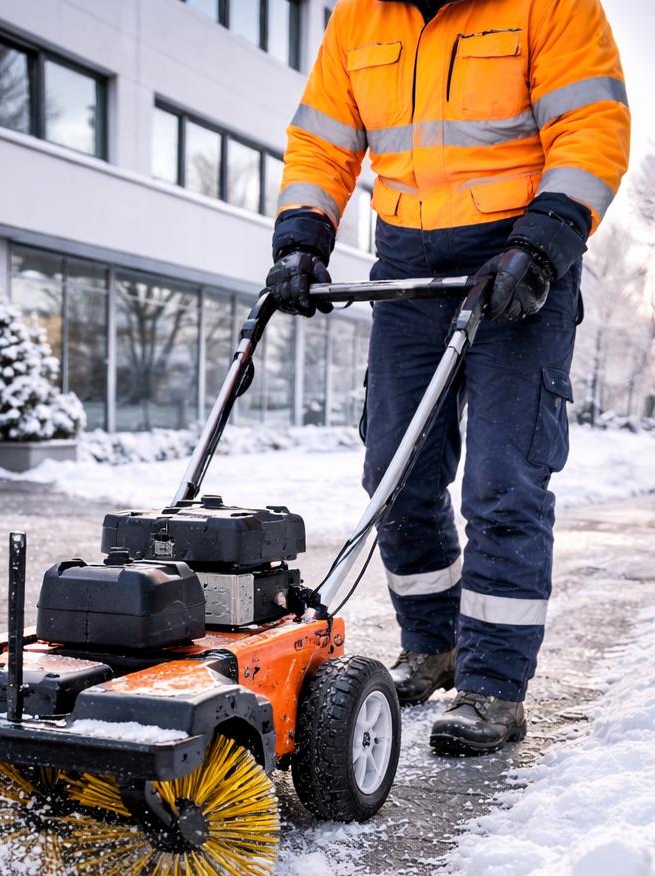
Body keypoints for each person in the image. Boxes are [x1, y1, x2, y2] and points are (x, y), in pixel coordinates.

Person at [267, 0, 630, 754]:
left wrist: (544, 242)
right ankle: (432, 649)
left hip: (520, 255)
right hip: (407, 263)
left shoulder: (552, 6)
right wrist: (303, 236)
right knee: (394, 473)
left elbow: (591, 129)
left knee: (503, 482)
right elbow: (320, 143)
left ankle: (494, 689)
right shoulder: (360, 19)